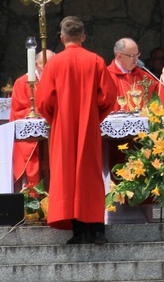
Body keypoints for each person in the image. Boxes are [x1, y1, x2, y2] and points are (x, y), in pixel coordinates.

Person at [35, 16, 116, 243]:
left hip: (63, 127)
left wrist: (58, 118)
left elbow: (42, 102)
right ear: (83, 37)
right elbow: (108, 97)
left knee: (67, 174)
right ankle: (97, 230)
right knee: (89, 174)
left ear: (62, 38)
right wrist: (93, 115)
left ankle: (78, 231)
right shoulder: (96, 61)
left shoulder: (54, 64)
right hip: (88, 126)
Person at [9, 49, 55, 189]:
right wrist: (38, 112)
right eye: (45, 64)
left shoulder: (56, 81)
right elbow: (17, 111)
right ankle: (33, 197)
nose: (49, 68)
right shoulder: (22, 82)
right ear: (36, 64)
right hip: (31, 140)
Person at [108, 38, 164, 112]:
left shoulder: (144, 77)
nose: (136, 59)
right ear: (119, 56)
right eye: (132, 56)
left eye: (137, 55)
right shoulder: (106, 76)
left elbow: (159, 97)